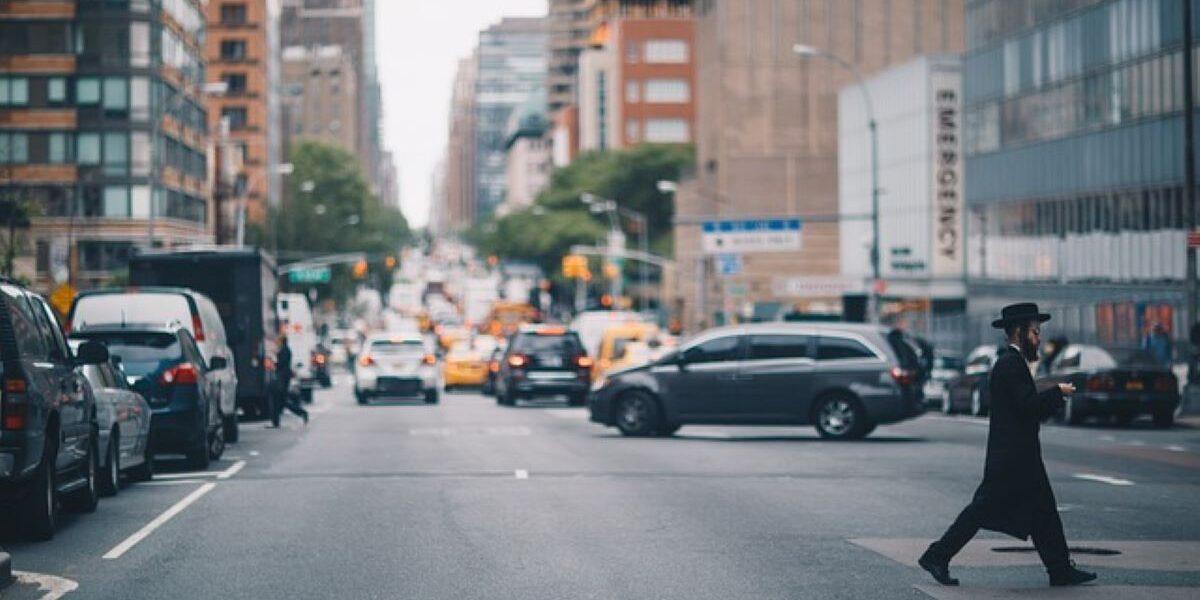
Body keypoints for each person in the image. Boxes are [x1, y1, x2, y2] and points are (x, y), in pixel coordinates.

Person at [919, 303, 1096, 588]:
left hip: (1018, 456)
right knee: (981, 511)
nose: (1038, 339)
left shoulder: (1012, 363)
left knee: (1044, 513)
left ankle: (1060, 570)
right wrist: (1057, 393)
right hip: (1012, 460)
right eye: (1035, 333)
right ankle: (937, 555)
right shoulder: (1010, 364)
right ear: (1019, 332)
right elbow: (1028, 407)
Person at [270, 334, 308, 428]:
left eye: (278, 340)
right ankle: (276, 422)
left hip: (282, 378)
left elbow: (281, 364)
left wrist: (274, 362)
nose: (277, 342)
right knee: (281, 401)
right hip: (283, 377)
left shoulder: (285, 350)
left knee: (280, 400)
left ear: (282, 341)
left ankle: (302, 412)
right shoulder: (284, 349)